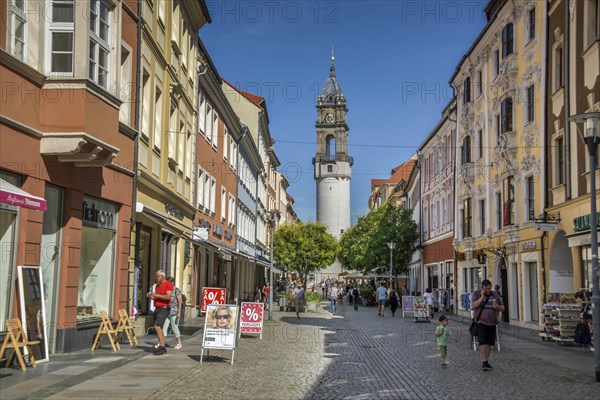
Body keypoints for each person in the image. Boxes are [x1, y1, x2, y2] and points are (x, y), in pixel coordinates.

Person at [471, 279, 504, 371]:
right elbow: (473, 306)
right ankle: (484, 362)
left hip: (492, 322)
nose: (488, 290)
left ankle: (487, 361)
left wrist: (497, 307)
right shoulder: (477, 294)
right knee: (482, 342)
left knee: (489, 343)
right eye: (486, 289)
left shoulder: (495, 294)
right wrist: (482, 297)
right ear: (482, 287)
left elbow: (503, 308)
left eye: (489, 288)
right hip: (481, 321)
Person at [147, 270, 173, 355]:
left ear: (162, 276)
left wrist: (157, 295)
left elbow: (168, 297)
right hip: (157, 307)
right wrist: (151, 296)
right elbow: (156, 298)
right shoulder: (157, 286)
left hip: (164, 308)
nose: (156, 278)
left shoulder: (168, 284)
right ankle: (162, 346)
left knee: (157, 326)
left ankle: (162, 346)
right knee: (159, 327)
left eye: (157, 276)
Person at [162, 277, 183, 350]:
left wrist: (179, 312)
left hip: (174, 312)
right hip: (166, 311)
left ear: (172, 283)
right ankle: (161, 343)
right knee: (164, 327)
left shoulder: (176, 290)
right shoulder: (166, 290)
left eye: (169, 282)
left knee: (175, 327)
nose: (167, 284)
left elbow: (180, 302)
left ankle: (179, 343)